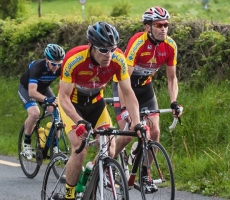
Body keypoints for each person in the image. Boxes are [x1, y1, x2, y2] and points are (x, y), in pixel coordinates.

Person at [58, 22, 144, 200]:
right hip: (73, 106)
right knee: (79, 149)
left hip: (97, 104)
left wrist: (137, 123)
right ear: (90, 46)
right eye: (103, 50)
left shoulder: (118, 59)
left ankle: (89, 174)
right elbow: (63, 97)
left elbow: (128, 92)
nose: (109, 55)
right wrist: (78, 121)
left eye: (112, 49)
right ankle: (69, 194)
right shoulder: (74, 59)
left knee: (110, 151)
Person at [112, 6, 183, 171]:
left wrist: (174, 103)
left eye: (165, 25)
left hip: (145, 87)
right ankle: (104, 164)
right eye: (158, 25)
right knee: (129, 132)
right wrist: (124, 108)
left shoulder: (170, 45)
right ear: (148, 27)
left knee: (155, 132)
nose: (163, 28)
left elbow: (172, 78)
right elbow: (125, 79)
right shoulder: (138, 42)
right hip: (125, 86)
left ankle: (145, 173)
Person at [18, 44, 65, 160]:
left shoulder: (61, 67)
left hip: (44, 89)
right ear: (46, 60)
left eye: (59, 64)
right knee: (34, 113)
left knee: (57, 112)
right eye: (53, 64)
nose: (56, 67)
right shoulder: (37, 67)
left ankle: (55, 146)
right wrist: (45, 99)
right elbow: (32, 92)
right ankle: (27, 143)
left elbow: (65, 86)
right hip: (27, 89)